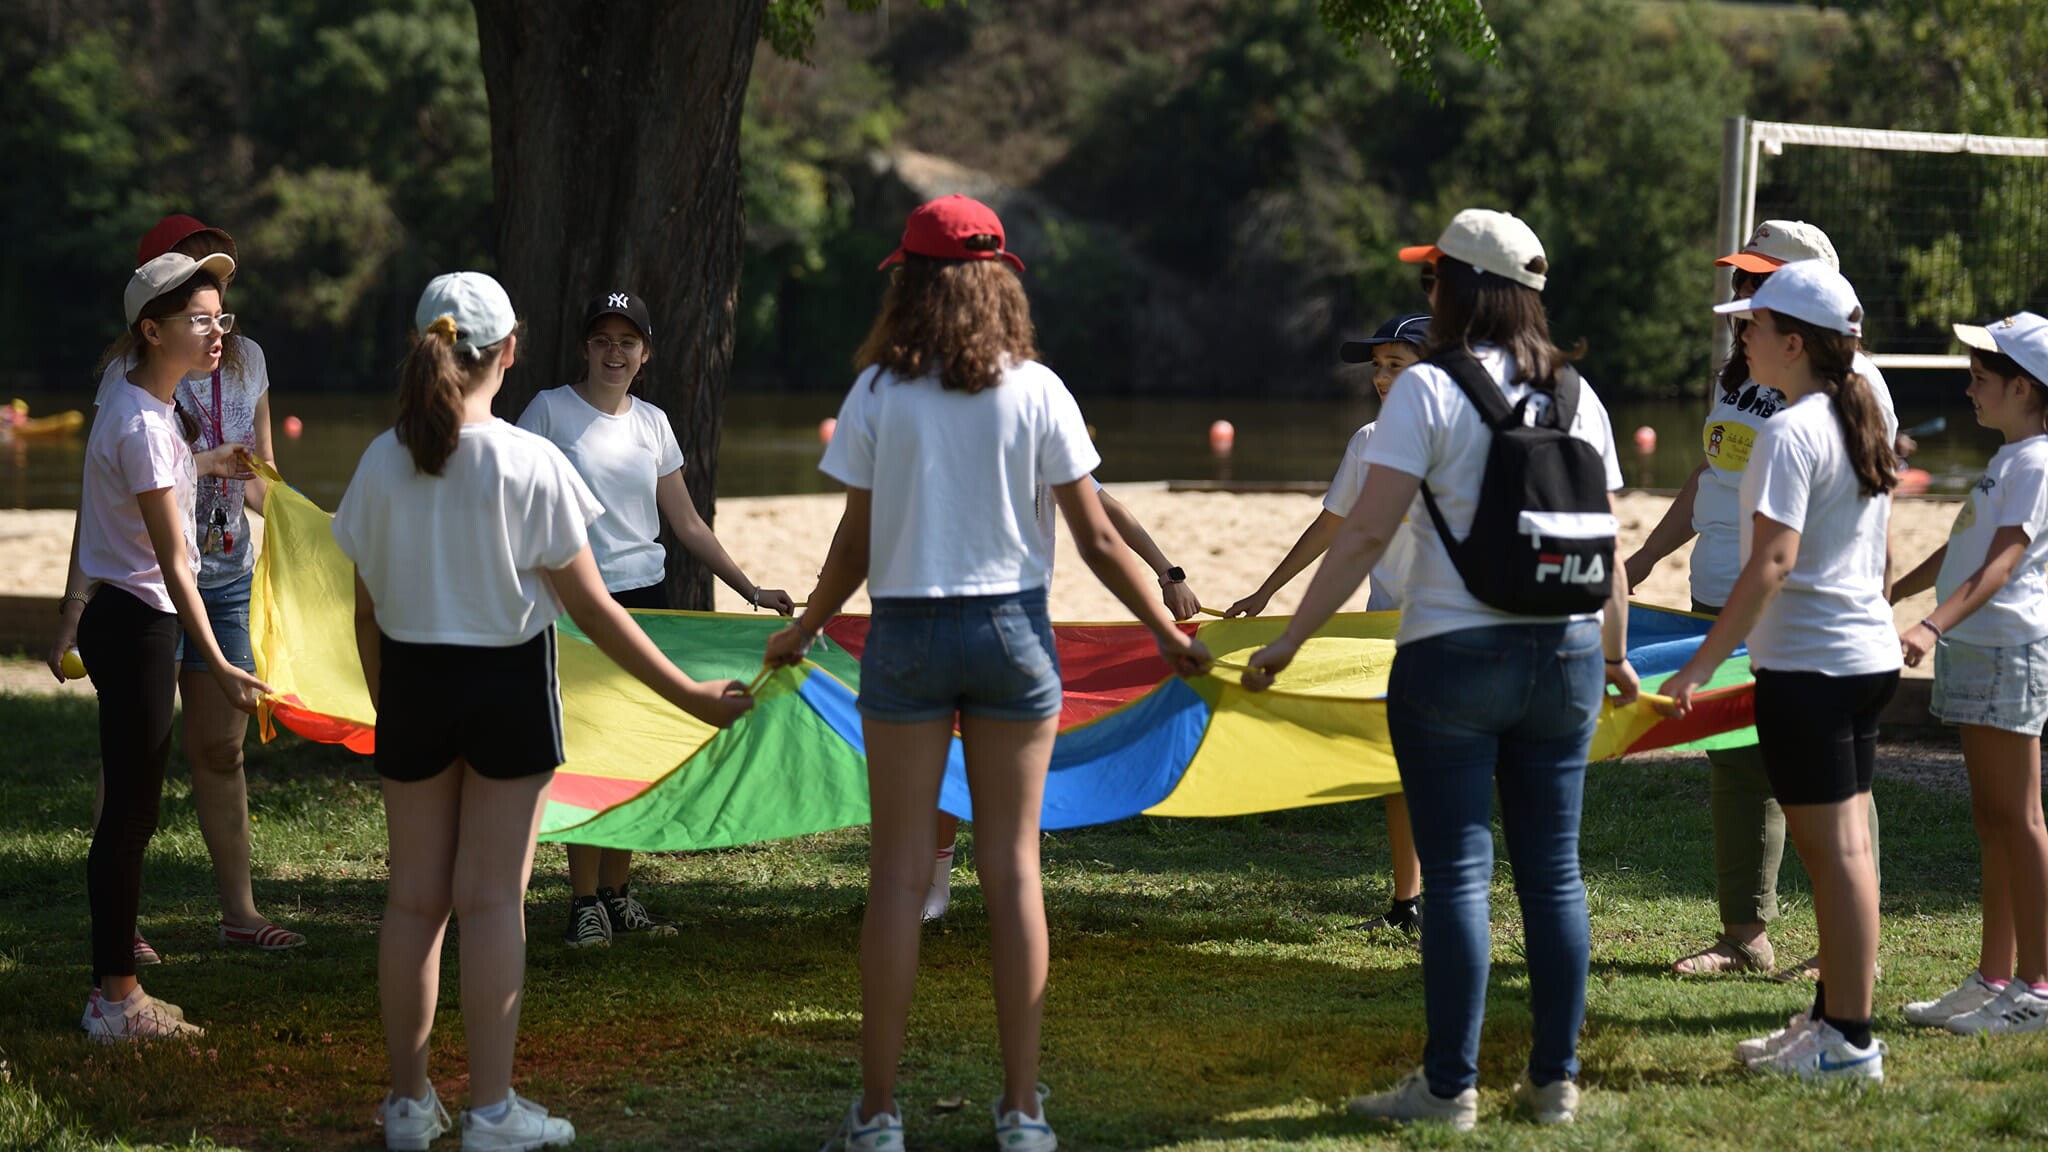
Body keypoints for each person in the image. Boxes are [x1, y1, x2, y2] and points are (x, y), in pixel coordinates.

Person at [764, 194, 1211, 1152]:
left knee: (897, 879)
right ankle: (1022, 1112)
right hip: (1014, 632)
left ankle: (877, 1117)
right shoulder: (1040, 390)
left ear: (911, 281)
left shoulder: (879, 392)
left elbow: (854, 544)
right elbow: (1097, 539)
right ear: (1002, 281)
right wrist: (1165, 629)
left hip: (908, 635)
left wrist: (804, 627)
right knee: (1013, 872)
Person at [335, 273, 753, 1151]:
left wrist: (386, 704)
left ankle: (407, 1106)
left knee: (413, 904)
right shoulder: (531, 462)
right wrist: (687, 695)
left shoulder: (380, 460)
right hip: (508, 686)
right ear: (510, 352)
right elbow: (596, 611)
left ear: (421, 346)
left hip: (411, 684)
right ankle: (492, 1112)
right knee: (493, 902)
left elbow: (366, 611)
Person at [1244, 210, 1634, 1130]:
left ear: (1457, 288)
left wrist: (1290, 639)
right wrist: (1614, 655)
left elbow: (1364, 534)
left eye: (1433, 278)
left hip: (1453, 655)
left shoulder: (1426, 390)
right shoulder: (1579, 393)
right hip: (1568, 656)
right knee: (1555, 876)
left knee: (1457, 874)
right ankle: (1555, 1081)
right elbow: (1607, 546)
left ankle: (1449, 1087)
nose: (1430, 290)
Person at [1624, 221, 1893, 979]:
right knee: (1738, 768)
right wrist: (1644, 556)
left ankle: (1848, 959)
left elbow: (1859, 512)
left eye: (1759, 285)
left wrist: (1878, 598)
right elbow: (1712, 477)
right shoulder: (1741, 375)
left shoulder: (1853, 391)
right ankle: (1744, 936)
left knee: (1833, 793)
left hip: (1796, 617)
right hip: (1721, 596)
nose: (1742, 299)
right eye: (1742, 281)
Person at [517, 291, 793, 950]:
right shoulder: (548, 411)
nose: (614, 354)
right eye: (602, 341)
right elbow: (515, 498)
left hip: (648, 600)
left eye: (627, 342)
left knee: (634, 745)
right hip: (578, 604)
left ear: (646, 354)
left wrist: (751, 589)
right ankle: (583, 903)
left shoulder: (653, 423)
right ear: (585, 349)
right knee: (589, 747)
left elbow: (687, 522)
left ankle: (616, 895)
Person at [56, 251, 270, 1042]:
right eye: (200, 321)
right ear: (153, 330)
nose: (218, 333)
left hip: (128, 616)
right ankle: (117, 1000)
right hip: (140, 622)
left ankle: (113, 992)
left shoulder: (144, 402)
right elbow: (177, 564)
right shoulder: (144, 424)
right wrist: (220, 661)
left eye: (221, 318)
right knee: (130, 817)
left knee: (130, 812)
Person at [1224, 312, 1429, 935]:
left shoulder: (1469, 440)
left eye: (1397, 365)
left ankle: (1452, 898)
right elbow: (1335, 527)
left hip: (1455, 629)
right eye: (1378, 367)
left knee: (1449, 766)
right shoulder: (1368, 442)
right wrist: (1266, 592)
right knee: (1403, 767)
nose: (1382, 378)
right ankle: (1409, 903)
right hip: (1386, 632)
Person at [922, 481, 1201, 923]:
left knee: (1011, 763)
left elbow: (1105, 516)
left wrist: (1169, 574)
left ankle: (1010, 886)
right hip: (941, 619)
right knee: (945, 752)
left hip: (1021, 627)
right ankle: (937, 883)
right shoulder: (944, 440)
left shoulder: (1045, 444)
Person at [1890, 314, 2048, 1036]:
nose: (1970, 389)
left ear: (2023, 388)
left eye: (1981, 379)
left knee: (2020, 820)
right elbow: (1961, 550)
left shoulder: (2035, 462)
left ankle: (2036, 988)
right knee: (1992, 819)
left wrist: (1930, 625)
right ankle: (1993, 978)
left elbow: (2004, 562)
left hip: (2007, 650)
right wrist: (1894, 594)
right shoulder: (2008, 458)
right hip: (1977, 647)